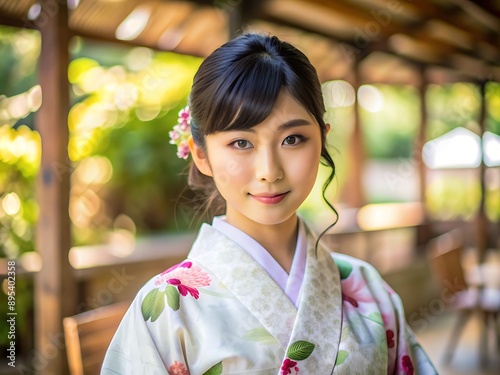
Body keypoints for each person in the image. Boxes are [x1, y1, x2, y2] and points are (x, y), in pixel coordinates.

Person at [101, 33, 436, 375]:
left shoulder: (366, 287)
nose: (269, 171)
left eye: (293, 139)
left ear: (322, 140)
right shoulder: (166, 306)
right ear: (201, 155)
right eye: (241, 142)